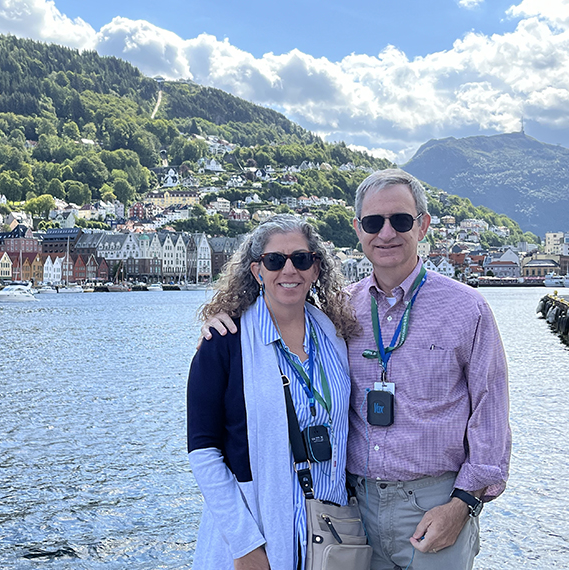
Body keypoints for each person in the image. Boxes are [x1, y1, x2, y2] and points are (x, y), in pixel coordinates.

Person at [202, 169, 511, 570]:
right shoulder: (338, 312)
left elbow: (491, 413)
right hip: (354, 510)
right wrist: (223, 320)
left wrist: (463, 505)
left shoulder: (468, 309)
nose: (386, 233)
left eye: (400, 220)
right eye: (373, 222)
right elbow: (280, 310)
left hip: (437, 503)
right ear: (357, 229)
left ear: (423, 225)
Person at [187, 214, 358, 570]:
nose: (289, 270)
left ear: (315, 269)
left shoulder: (334, 336)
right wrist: (244, 544)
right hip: (258, 534)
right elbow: (203, 452)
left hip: (329, 533)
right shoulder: (224, 342)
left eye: (301, 259)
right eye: (274, 261)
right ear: (256, 271)